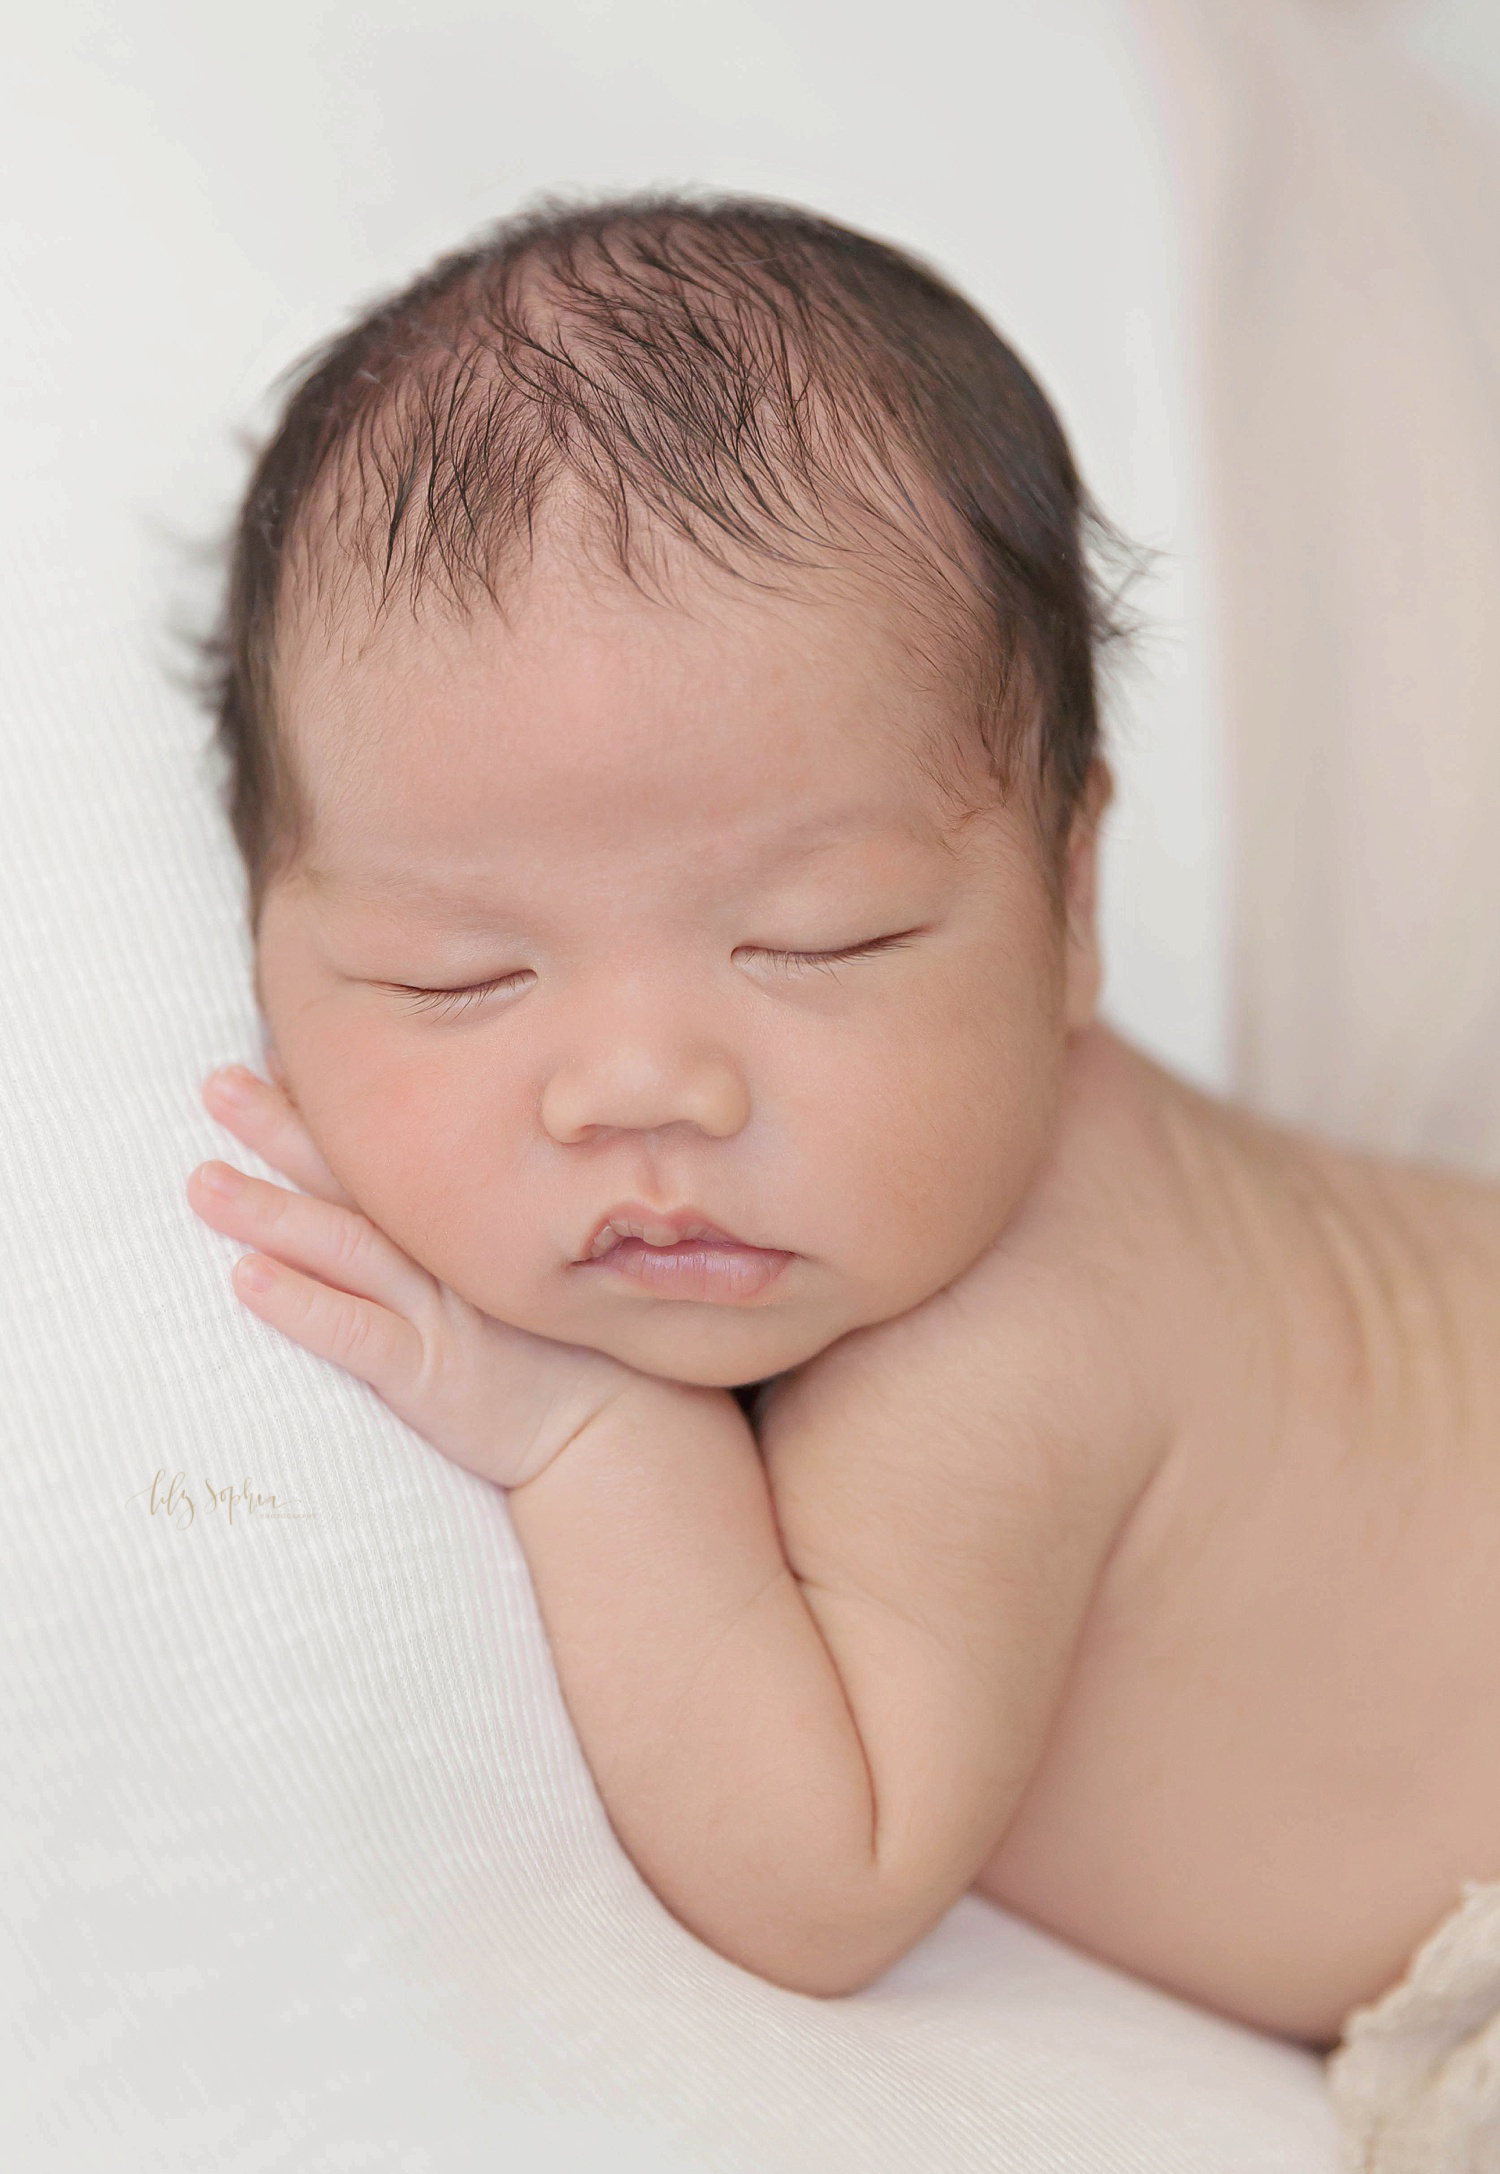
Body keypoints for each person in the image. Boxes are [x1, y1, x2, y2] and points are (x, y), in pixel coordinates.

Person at [184, 193, 1500, 2050]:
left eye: (825, 940)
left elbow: (832, 1869)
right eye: (460, 974)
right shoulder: (908, 1172)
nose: (646, 1087)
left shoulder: (993, 1338)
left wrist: (585, 1430)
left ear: (1072, 907)